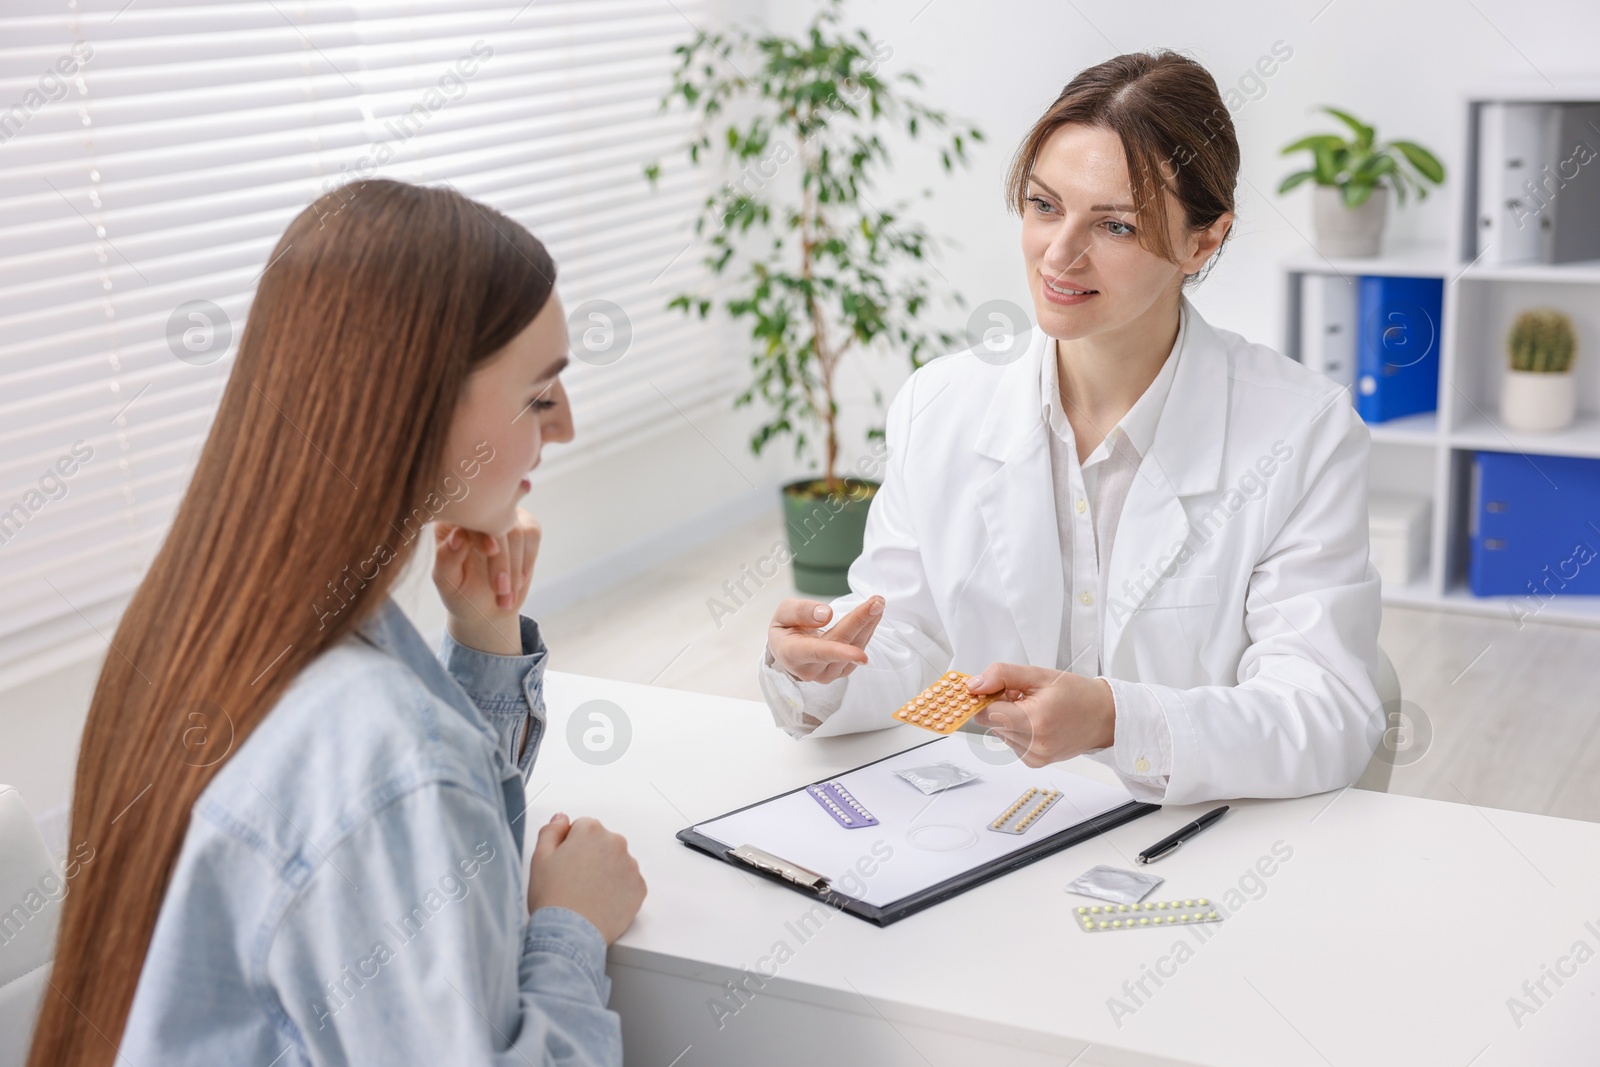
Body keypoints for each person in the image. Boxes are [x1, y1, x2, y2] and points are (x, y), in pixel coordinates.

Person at [30, 179, 644, 1067]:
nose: (569, 426)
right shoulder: (386, 753)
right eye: (539, 395)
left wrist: (482, 640)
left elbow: (412, 887)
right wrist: (568, 928)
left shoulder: (197, 629)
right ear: (421, 401)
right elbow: (401, 804)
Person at [759, 50, 1383, 806]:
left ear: (1203, 241)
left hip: (1189, 844)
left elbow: (1325, 714)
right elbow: (910, 647)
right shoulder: (941, 404)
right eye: (1045, 205)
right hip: (987, 828)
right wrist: (819, 670)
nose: (1058, 254)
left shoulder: (1303, 433)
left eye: (1114, 225)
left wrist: (1118, 720)